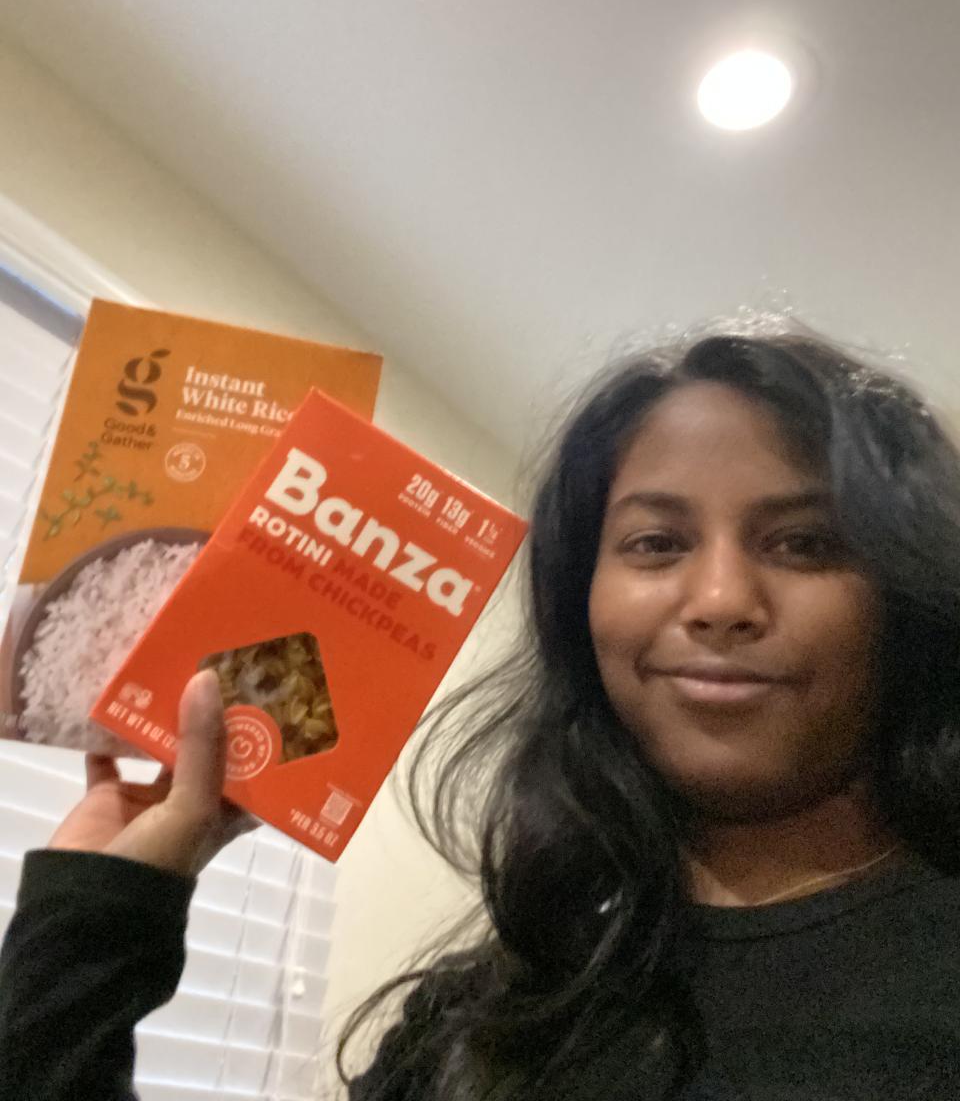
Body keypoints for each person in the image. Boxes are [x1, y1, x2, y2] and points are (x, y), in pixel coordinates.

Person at [3, 325, 960, 1101]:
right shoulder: (495, 1009)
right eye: (656, 543)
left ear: (908, 595)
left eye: (803, 543)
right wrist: (93, 918)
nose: (718, 600)